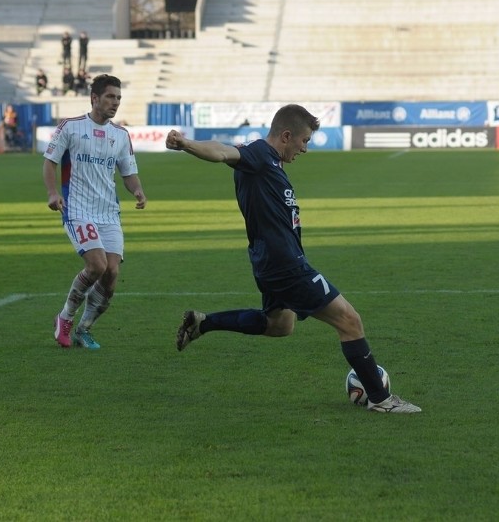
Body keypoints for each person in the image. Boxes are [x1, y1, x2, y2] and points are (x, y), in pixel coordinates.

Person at [164, 104, 421, 413]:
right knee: (350, 321)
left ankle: (203, 323)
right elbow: (222, 152)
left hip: (271, 263)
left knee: (279, 326)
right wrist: (187, 144)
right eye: (304, 141)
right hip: (285, 265)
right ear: (286, 135)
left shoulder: (272, 162)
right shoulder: (258, 155)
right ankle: (382, 400)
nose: (305, 148)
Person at [43, 74, 147, 349]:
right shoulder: (71, 127)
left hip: (108, 213)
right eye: (111, 97)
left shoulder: (120, 135)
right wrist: (53, 193)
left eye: (118, 98)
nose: (115, 103)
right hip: (77, 209)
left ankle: (84, 328)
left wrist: (137, 190)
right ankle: (65, 318)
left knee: (111, 273)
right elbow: (49, 162)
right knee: (97, 265)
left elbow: (128, 173)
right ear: (94, 98)